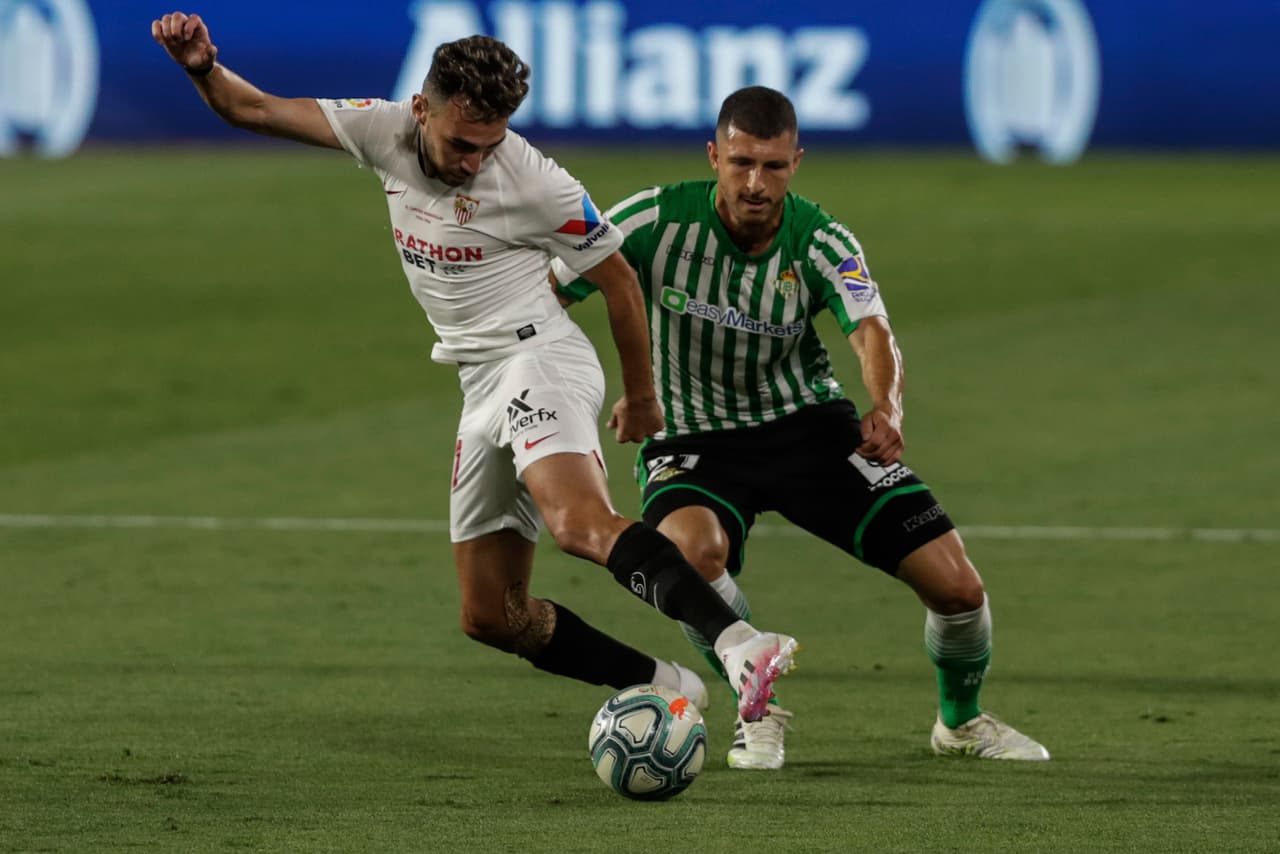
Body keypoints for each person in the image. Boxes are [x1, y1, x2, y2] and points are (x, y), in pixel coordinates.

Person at [150, 13, 800, 724]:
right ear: (421, 109)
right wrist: (202, 67)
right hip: (479, 379)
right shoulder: (383, 130)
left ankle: (739, 644)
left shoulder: (533, 181)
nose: (471, 163)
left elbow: (618, 280)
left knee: (578, 524)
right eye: (461, 143)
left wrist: (641, 397)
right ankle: (670, 683)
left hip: (539, 358)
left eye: (487, 146)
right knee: (492, 615)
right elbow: (253, 108)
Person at [552, 86, 1049, 769]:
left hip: (808, 430)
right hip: (693, 439)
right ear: (713, 156)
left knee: (957, 587)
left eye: (774, 167)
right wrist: (580, 391)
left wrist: (888, 406)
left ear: (797, 162)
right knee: (691, 552)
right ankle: (754, 708)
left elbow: (871, 330)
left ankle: (959, 724)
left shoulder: (819, 238)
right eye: (741, 162)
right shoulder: (650, 221)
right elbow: (551, 288)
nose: (756, 183)